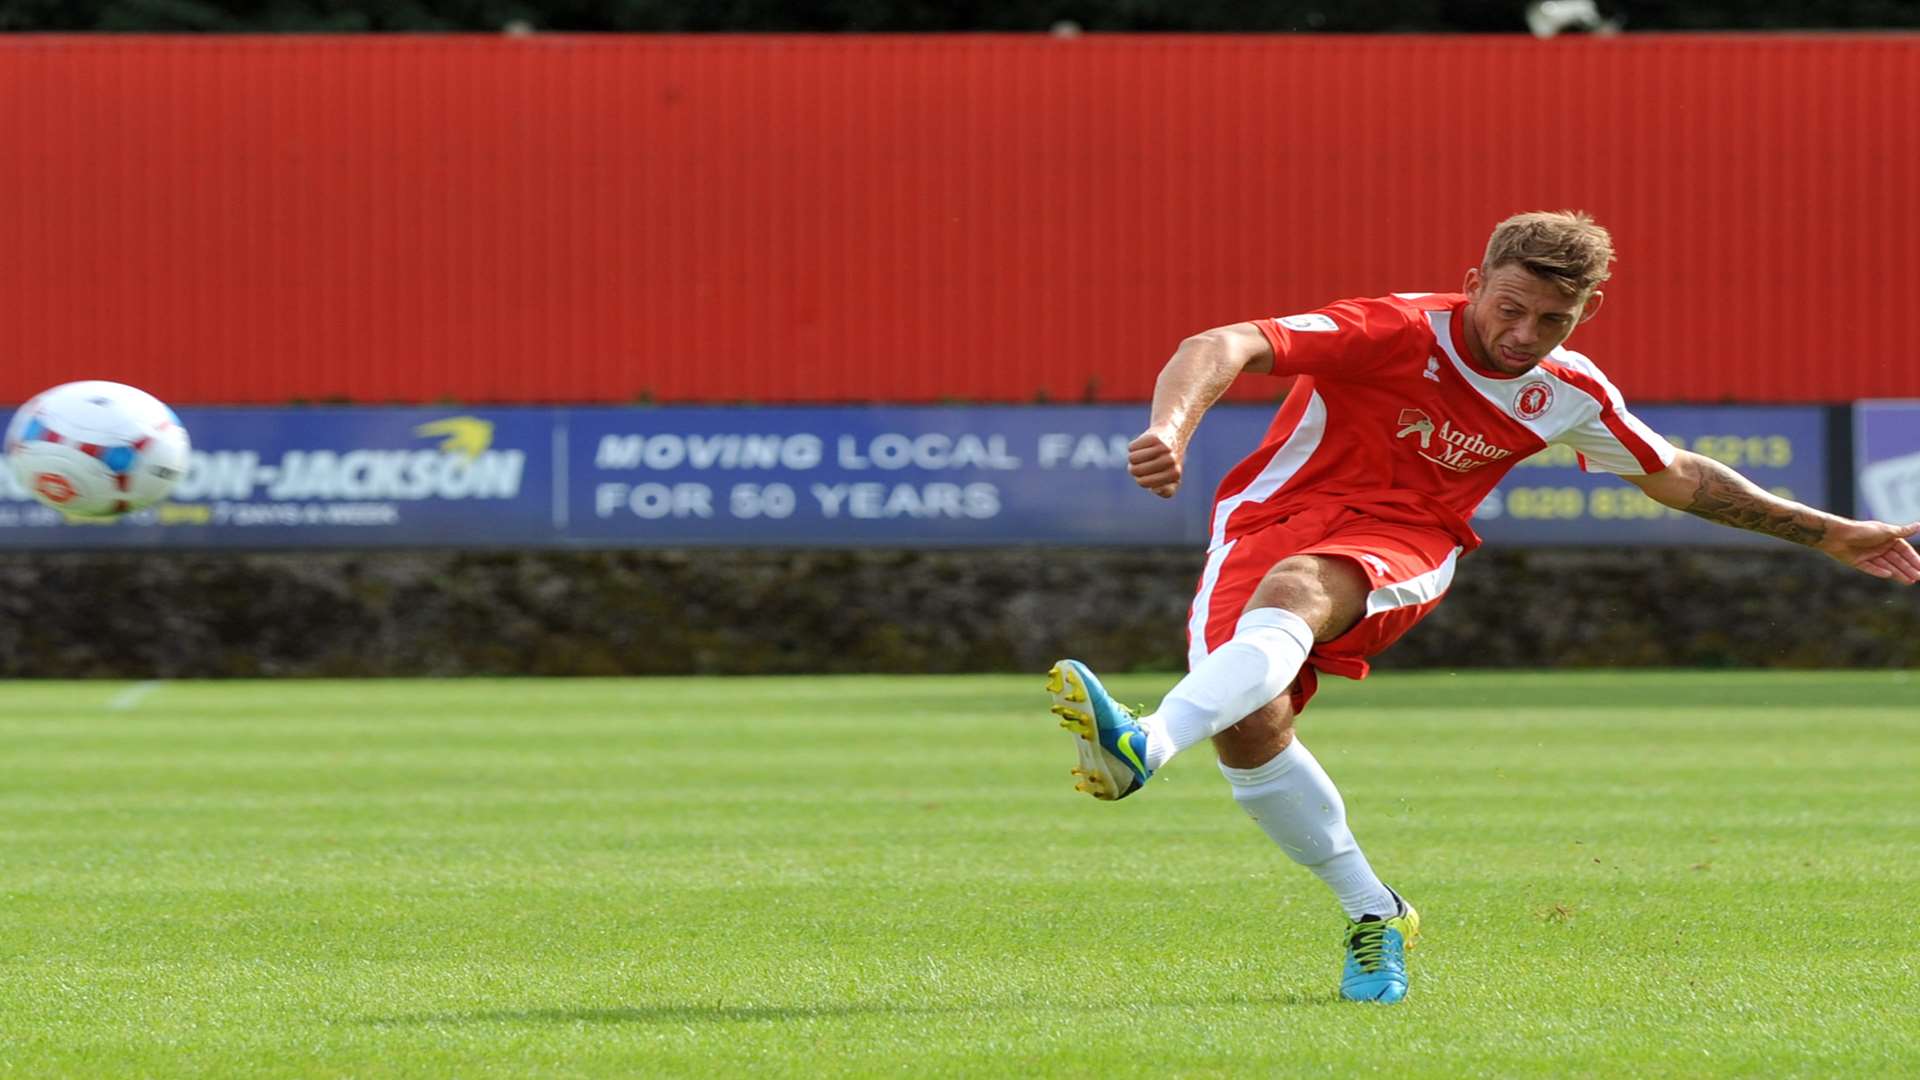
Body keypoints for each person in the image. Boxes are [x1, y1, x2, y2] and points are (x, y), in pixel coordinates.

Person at [1044, 210, 1920, 1004]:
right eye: (1510, 307)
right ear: (1474, 283)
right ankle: (1375, 910)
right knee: (1247, 724)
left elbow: (1676, 473)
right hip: (1264, 523)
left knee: (1298, 592)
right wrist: (1170, 428)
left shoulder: (1569, 392)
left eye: (1552, 320)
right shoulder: (1390, 329)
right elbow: (1225, 341)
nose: (1523, 334)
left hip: (1406, 543)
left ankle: (1146, 742)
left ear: (1587, 313)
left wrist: (1827, 533)